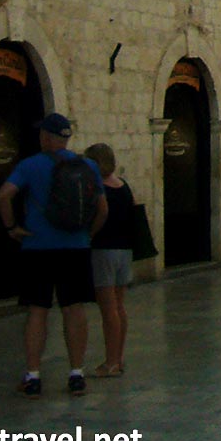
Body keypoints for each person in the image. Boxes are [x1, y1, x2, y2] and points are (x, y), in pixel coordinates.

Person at [0, 113, 109, 398]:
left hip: (38, 248)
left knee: (37, 310)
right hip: (76, 248)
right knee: (74, 308)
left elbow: (3, 195)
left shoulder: (30, 165)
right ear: (67, 138)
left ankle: (33, 376)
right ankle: (76, 374)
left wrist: (12, 227)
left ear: (46, 137)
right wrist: (88, 234)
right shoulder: (89, 166)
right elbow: (103, 209)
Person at [84, 143, 135, 379]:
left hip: (104, 250)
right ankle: (119, 358)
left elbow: (101, 214)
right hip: (125, 250)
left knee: (108, 308)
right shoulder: (124, 186)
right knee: (119, 306)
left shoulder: (98, 189)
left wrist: (90, 234)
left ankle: (111, 362)